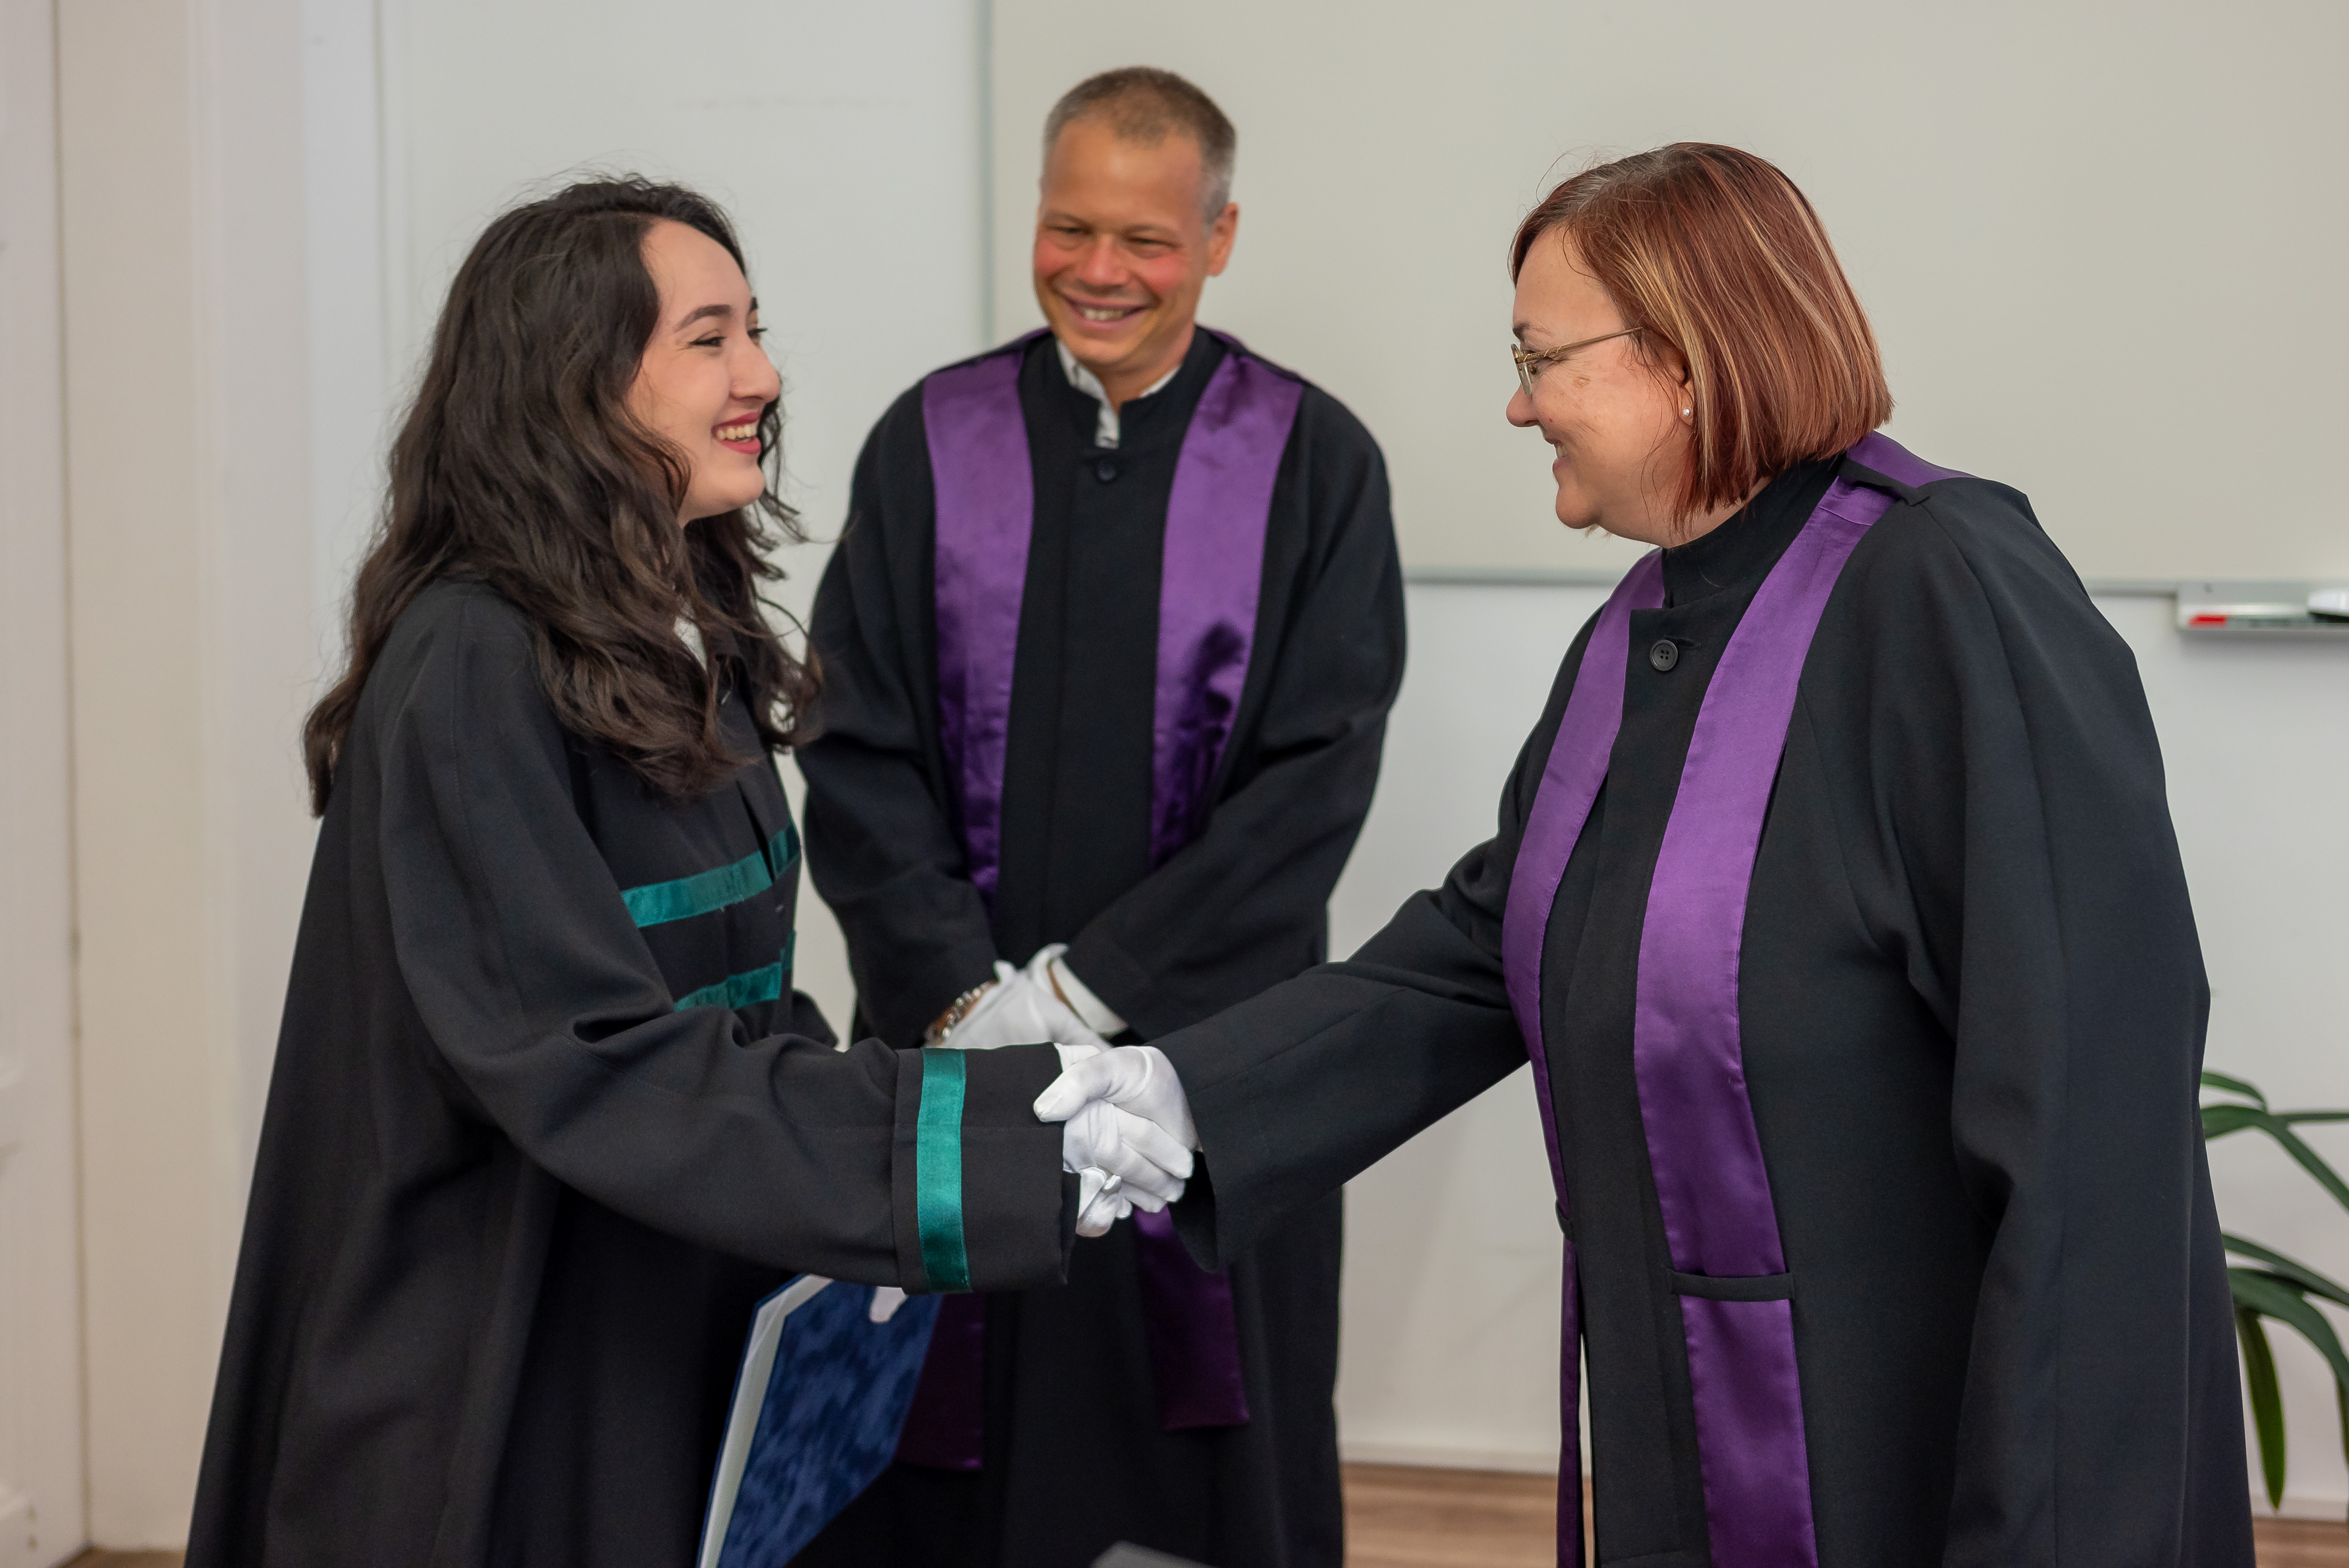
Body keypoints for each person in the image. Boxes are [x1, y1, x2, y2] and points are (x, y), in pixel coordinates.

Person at [1043, 144, 2254, 1567]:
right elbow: (1493, 944)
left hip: (1903, 1451)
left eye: (1541, 358)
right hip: (1681, 1422)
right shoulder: (1641, 628)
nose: (1519, 403)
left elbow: (2090, 1122)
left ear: (1684, 360)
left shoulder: (1946, 588)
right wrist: (1195, 1096)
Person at [183, 178, 1178, 1568]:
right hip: (498, 1363)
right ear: (575, 385)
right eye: (710, 339)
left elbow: (740, 1012)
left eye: (753, 331)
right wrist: (975, 1142)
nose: (762, 376)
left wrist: (963, 1097)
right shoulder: (472, 665)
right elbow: (597, 1064)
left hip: (653, 1308)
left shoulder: (675, 641)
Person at [795, 66, 1403, 1568]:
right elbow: (855, 744)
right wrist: (966, 996)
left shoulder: (1314, 461)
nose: (1101, 270)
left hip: (1202, 1060)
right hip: (958, 1047)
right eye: (1071, 228)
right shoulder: (932, 440)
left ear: (1219, 238)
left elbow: (1313, 784)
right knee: (946, 1437)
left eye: (1146, 237)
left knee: (1199, 1451)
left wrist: (1083, 996)